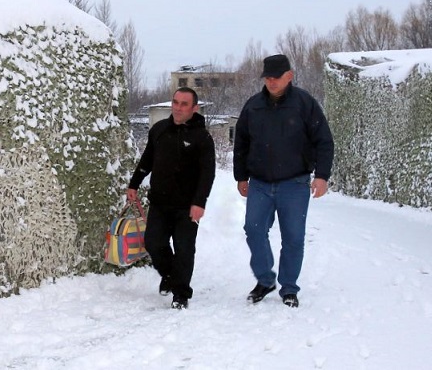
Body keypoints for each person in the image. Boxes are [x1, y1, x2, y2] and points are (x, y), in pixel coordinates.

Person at [233, 54, 334, 308]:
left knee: (293, 237)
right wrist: (240, 176)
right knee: (254, 230)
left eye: (276, 77)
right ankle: (266, 280)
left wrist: (322, 176)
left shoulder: (304, 103)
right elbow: (241, 143)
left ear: (289, 76)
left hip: (295, 184)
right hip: (259, 183)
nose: (271, 82)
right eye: (267, 77)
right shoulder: (253, 105)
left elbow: (324, 141)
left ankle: (289, 287)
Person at [127, 87, 216, 310]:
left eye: (184, 104)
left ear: (195, 108)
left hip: (187, 206)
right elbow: (147, 159)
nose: (178, 107)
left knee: (184, 249)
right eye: (175, 102)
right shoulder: (159, 130)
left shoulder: (202, 138)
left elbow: (208, 173)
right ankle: (169, 275)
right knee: (153, 243)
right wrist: (134, 184)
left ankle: (181, 294)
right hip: (160, 202)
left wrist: (199, 202)